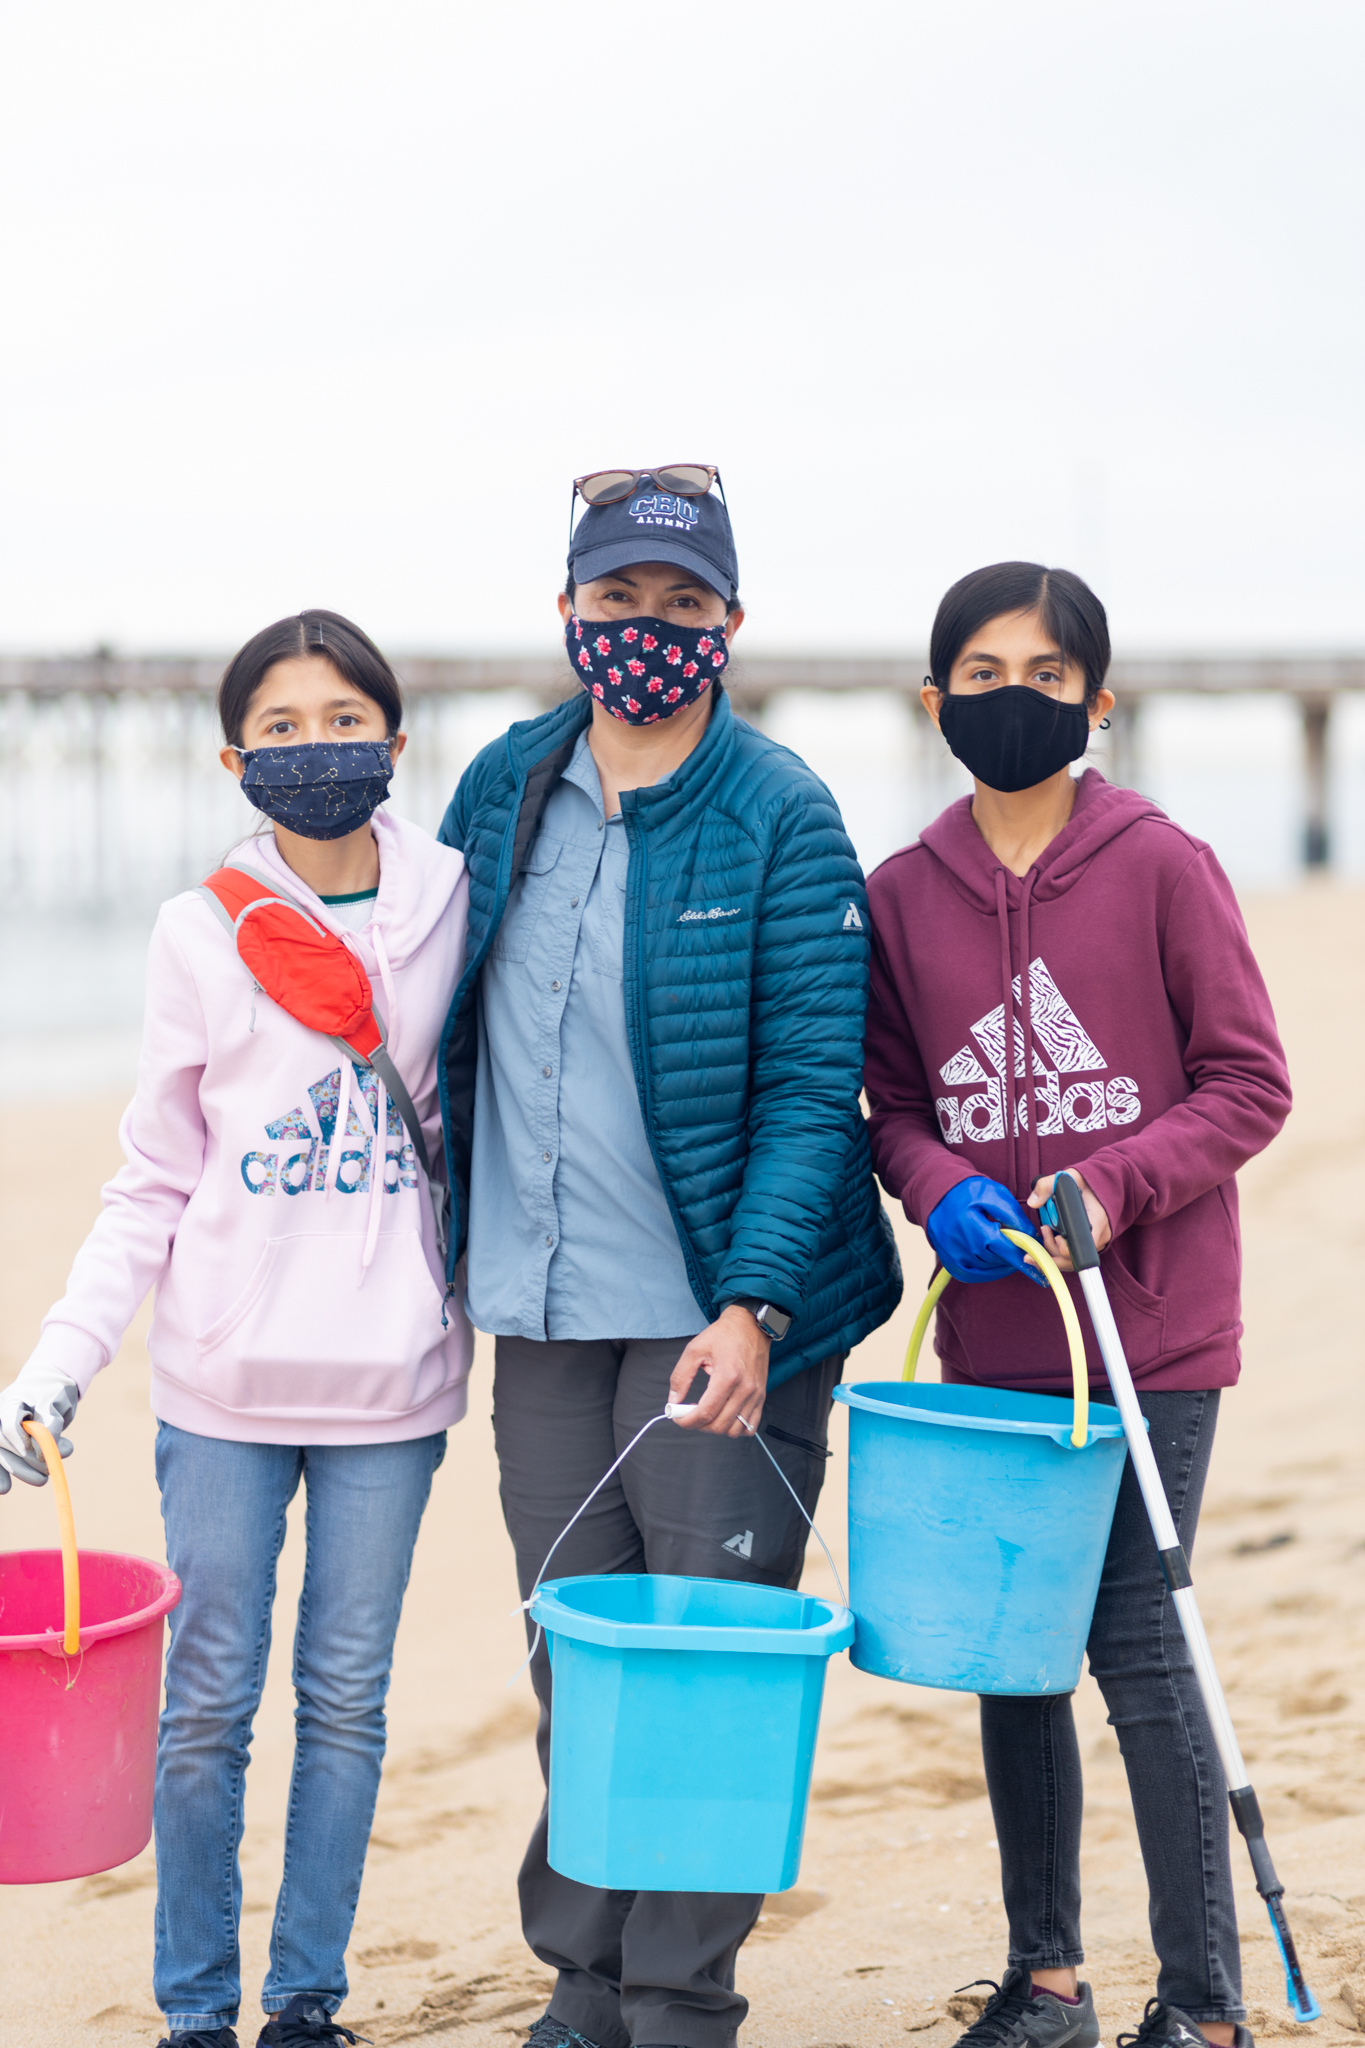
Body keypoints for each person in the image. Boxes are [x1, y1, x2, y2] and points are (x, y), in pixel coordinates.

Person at [436, 465, 902, 2048]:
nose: (646, 630)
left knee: (705, 1669)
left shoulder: (780, 809)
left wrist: (758, 1302)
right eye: (617, 600)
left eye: (680, 604)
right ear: (566, 612)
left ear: (731, 623)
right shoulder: (500, 787)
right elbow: (420, 1006)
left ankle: (680, 1994)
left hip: (720, 1314)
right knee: (577, 1656)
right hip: (546, 1311)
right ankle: (581, 1971)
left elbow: (806, 1086)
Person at [0, 610, 473, 2048]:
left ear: (394, 744)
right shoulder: (195, 931)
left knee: (345, 1707)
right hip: (220, 1387)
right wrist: (57, 1368)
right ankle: (198, 2014)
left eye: (343, 720)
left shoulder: (460, 895)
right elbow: (150, 1175)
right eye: (279, 725)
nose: (314, 746)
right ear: (229, 756)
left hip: (394, 1386)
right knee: (203, 1708)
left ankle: (305, 2006)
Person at [863, 561, 1291, 2048]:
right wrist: (934, 1191)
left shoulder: (1162, 863)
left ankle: (1202, 2001)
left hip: (1150, 1332)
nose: (1010, 700)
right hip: (996, 1343)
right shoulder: (900, 894)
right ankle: (1044, 1978)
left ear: (1094, 703)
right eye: (977, 675)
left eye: (1043, 675)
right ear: (933, 704)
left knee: (1138, 1651)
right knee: (1010, 1652)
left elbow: (1248, 1082)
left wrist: (1113, 1188)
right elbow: (893, 1104)